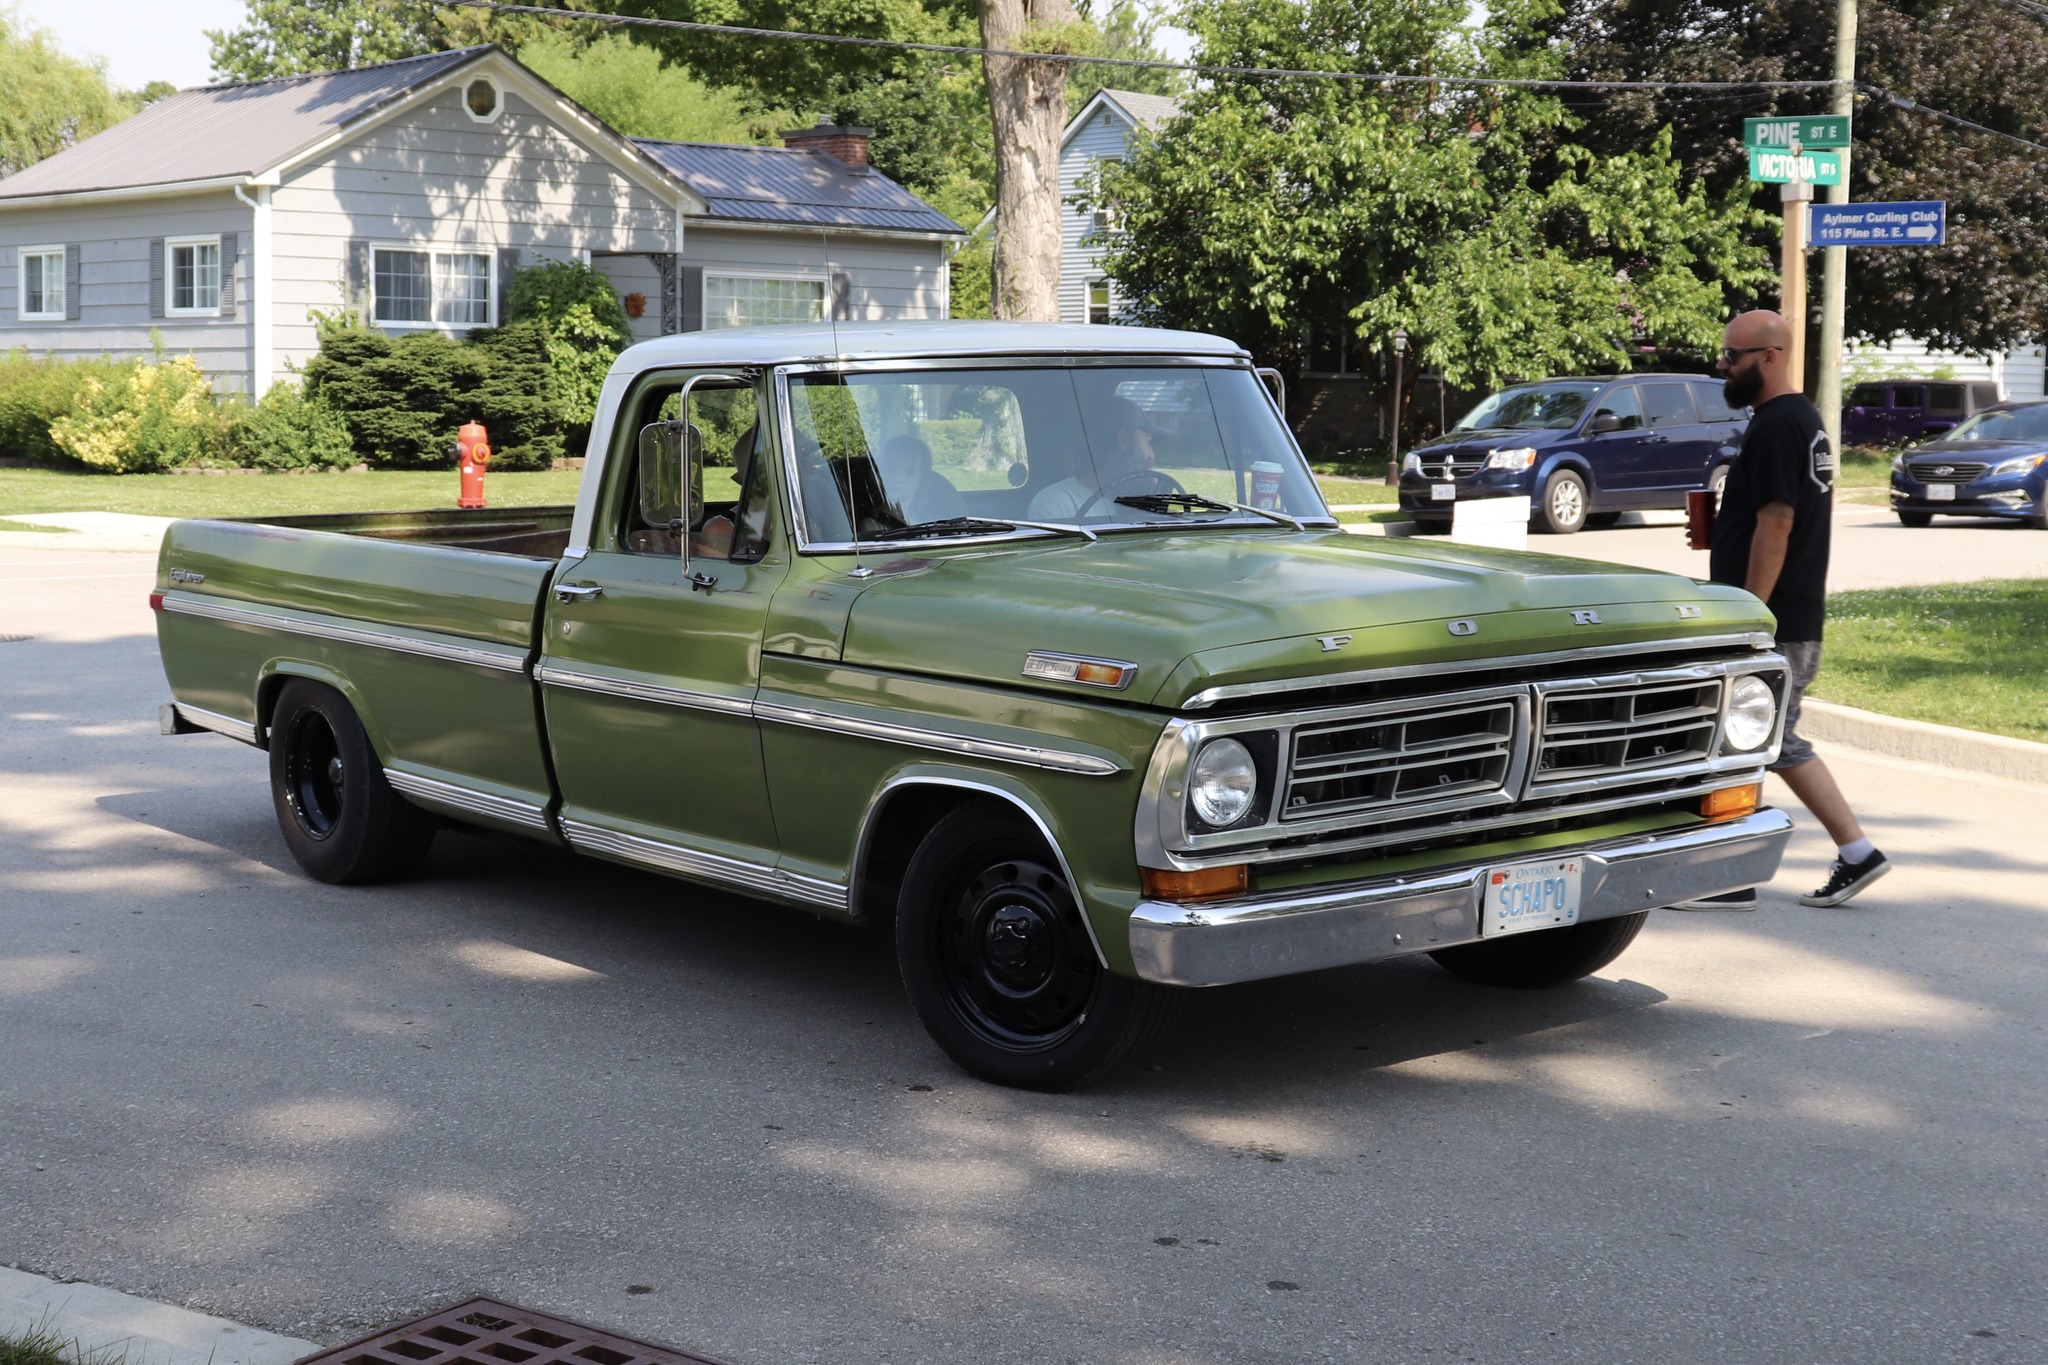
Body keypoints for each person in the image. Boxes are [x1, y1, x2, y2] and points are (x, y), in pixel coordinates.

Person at [1690, 309, 1890, 909]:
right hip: (1789, 612)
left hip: (1775, 619)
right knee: (1744, 739)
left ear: (1769, 357)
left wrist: (1750, 615)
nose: (1723, 366)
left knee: (1763, 739)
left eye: (1733, 356)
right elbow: (1767, 517)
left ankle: (1854, 851)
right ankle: (1734, 873)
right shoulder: (1798, 421)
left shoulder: (1779, 425)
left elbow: (1777, 522)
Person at [1028, 396, 1162, 520]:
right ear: (1123, 439)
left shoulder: (1141, 502)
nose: (1152, 456)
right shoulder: (1056, 503)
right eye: (1148, 441)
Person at [874, 433, 967, 525]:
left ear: (921, 480)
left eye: (908, 471)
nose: (896, 476)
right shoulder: (870, 526)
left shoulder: (933, 524)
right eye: (889, 468)